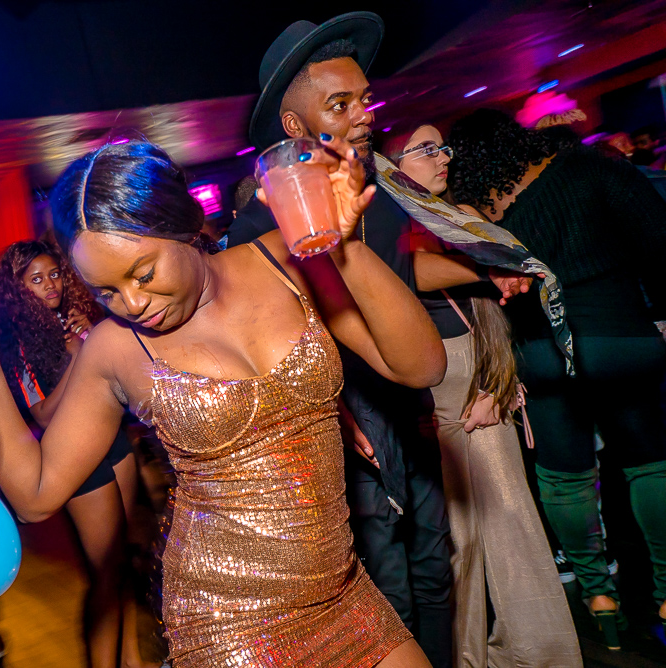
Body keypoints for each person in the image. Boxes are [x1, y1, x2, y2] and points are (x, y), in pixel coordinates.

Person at [0, 136, 444, 667]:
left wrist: (344, 250)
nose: (132, 303)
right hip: (230, 624)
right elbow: (36, 495)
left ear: (184, 226)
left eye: (143, 273)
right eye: (105, 292)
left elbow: (420, 366)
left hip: (344, 589)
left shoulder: (285, 261)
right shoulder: (117, 348)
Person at [227, 16, 526, 666]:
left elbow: (400, 272)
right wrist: (333, 411)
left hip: (406, 400)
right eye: (340, 105)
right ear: (295, 126)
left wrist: (484, 271)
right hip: (347, 423)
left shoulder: (376, 192)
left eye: (364, 99)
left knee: (435, 564)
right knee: (385, 584)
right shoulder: (258, 228)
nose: (363, 115)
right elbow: (269, 351)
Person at [448, 108, 666, 649]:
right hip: (621, 336)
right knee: (649, 464)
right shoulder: (594, 168)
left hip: (542, 352)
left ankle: (598, 595)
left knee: (567, 477)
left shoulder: (480, 214)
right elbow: (660, 244)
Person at [384, 123, 581, 666]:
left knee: (513, 522)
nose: (442, 157)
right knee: (456, 545)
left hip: (482, 390)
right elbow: (406, 279)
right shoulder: (386, 229)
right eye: (425, 149)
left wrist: (498, 383)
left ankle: (539, 655)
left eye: (443, 147)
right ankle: (462, 657)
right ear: (390, 165)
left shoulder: (462, 217)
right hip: (424, 407)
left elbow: (504, 316)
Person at [0, 239, 155, 668]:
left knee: (121, 563)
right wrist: (78, 355)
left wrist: (91, 334)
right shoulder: (18, 344)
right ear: (18, 289)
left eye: (54, 274)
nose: (51, 285)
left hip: (113, 441)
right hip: (75, 460)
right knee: (105, 574)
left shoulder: (73, 321)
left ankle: (132, 659)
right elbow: (43, 414)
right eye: (36, 279)